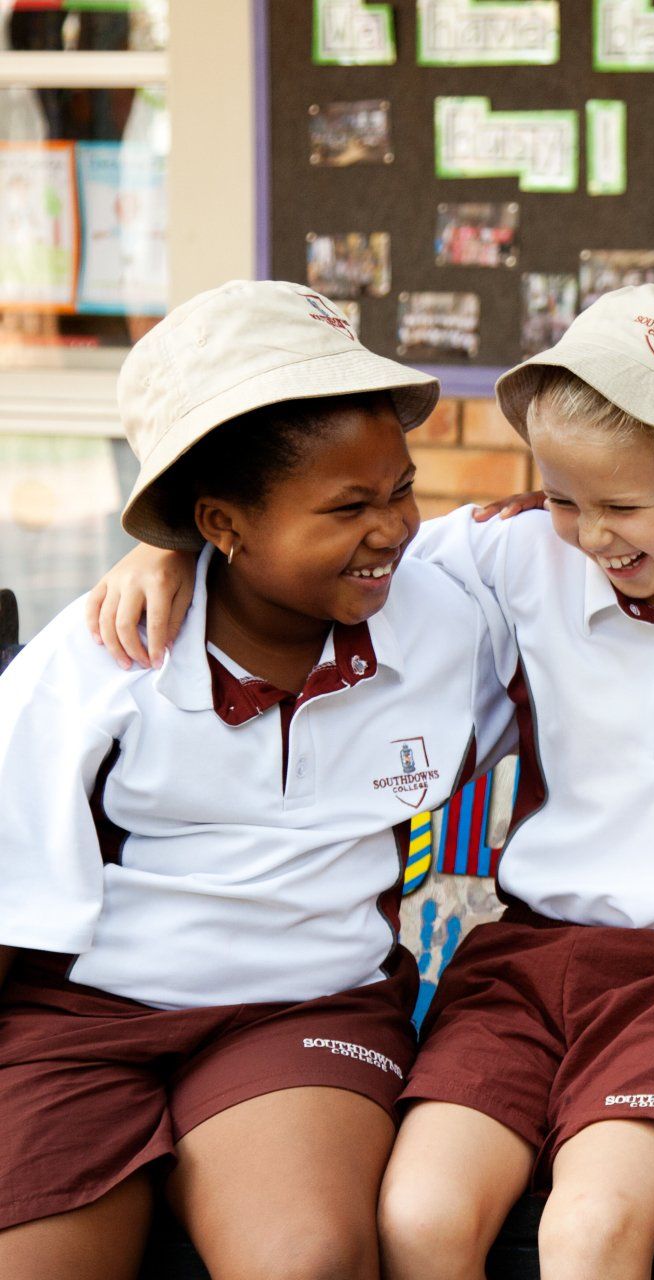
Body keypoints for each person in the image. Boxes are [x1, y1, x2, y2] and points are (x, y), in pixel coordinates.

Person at [81, 285, 654, 1280]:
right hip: (522, 965)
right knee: (419, 1217)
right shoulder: (512, 555)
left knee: (588, 1231)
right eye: (562, 496)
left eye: (618, 503)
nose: (589, 534)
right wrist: (175, 543)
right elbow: (303, 548)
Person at [0, 281, 511, 1280]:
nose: (395, 528)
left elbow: (629, 540)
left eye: (401, 488)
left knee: (309, 1258)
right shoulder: (102, 659)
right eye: (348, 507)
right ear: (221, 524)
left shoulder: (451, 614)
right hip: (84, 1017)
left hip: (303, 1007)